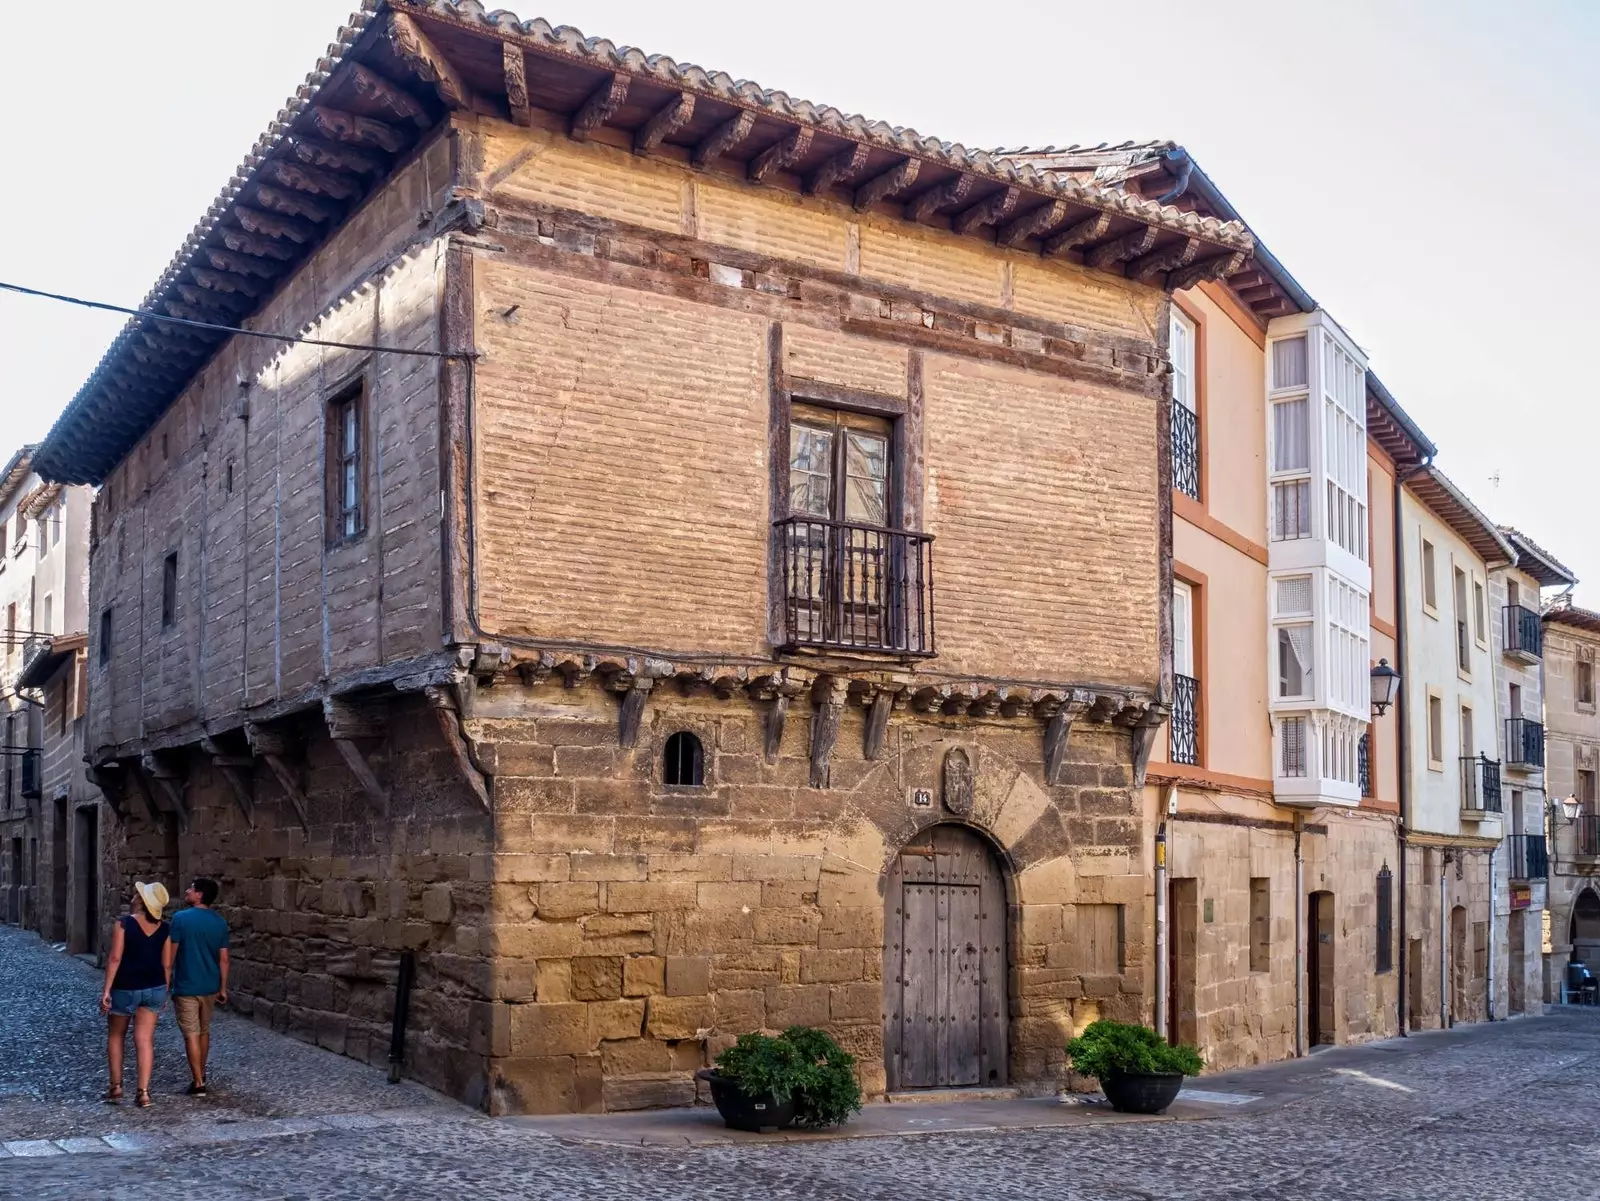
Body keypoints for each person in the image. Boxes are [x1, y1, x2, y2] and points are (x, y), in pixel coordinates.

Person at [99, 881, 170, 1108]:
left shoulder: (124, 924)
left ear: (141, 901)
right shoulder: (165, 928)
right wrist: (164, 991)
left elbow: (115, 958)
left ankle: (116, 1087)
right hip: (155, 988)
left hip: (125, 987)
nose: (133, 897)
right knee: (145, 1040)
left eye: (137, 895)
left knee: (116, 1035)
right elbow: (166, 965)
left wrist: (107, 990)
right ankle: (144, 1093)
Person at [165, 877, 230, 1096]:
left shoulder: (180, 919)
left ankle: (198, 1081)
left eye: (191, 889)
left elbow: (170, 956)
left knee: (191, 1033)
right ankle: (201, 1072)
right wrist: (223, 987)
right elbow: (224, 959)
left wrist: (165, 983)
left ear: (200, 894)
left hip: (187, 985)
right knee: (204, 1030)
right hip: (210, 985)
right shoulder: (220, 922)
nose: (187, 891)